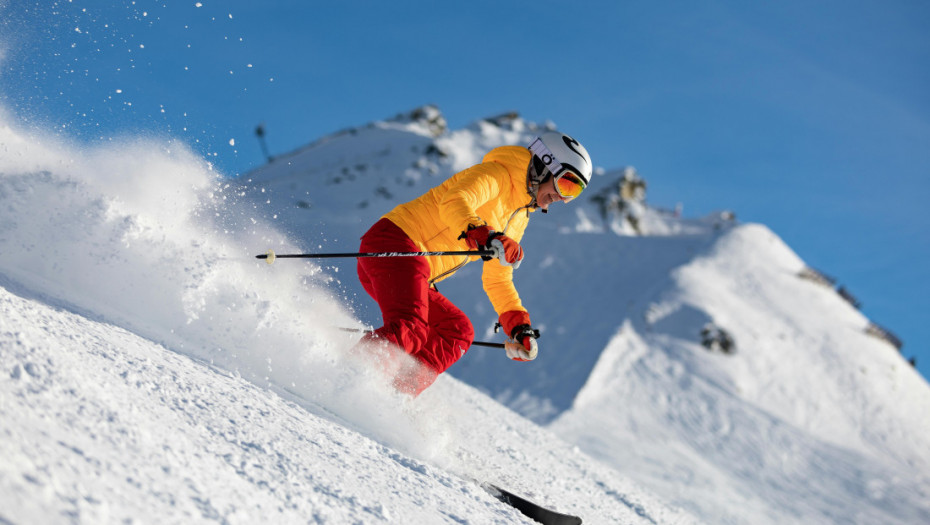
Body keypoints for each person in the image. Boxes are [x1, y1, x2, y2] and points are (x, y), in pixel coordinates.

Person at [355, 131, 593, 395]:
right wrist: (484, 234)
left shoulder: (519, 216)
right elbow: (454, 200)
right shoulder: (497, 174)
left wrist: (518, 326)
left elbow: (497, 278)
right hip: (396, 242)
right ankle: (350, 374)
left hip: (414, 271)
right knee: (412, 328)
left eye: (574, 193)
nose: (562, 198)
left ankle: (393, 395)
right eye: (565, 184)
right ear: (544, 165)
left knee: (456, 331)